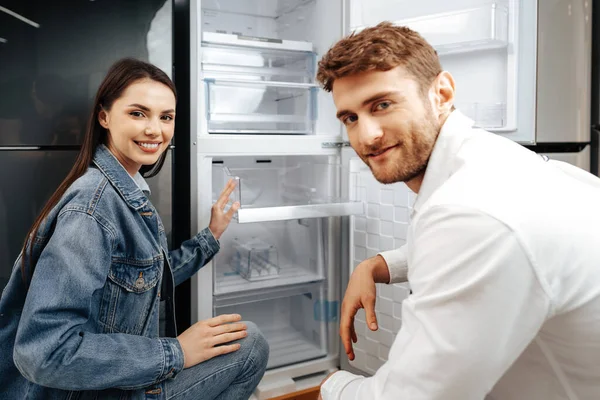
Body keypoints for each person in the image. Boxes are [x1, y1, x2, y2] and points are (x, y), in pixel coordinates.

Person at [316, 22, 600, 400]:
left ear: (442, 92)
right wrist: (378, 264)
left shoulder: (474, 212)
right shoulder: (492, 162)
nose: (366, 136)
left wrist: (330, 386)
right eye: (350, 118)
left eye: (382, 105)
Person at [0, 58, 269, 399]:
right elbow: (43, 352)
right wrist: (177, 351)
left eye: (165, 117)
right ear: (105, 117)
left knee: (243, 341)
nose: (155, 130)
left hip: (116, 382)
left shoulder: (125, 189)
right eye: (138, 113)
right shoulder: (92, 210)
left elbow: (142, 276)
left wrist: (210, 236)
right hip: (98, 393)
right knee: (251, 345)